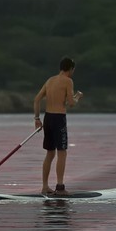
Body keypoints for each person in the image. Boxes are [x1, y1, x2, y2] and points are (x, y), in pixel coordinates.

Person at [33, 57, 84, 196]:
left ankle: (45, 187)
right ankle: (60, 187)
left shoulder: (50, 80)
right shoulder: (68, 81)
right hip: (59, 119)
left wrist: (37, 119)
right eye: (73, 69)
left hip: (47, 118)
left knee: (50, 153)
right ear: (71, 69)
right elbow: (71, 103)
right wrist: (77, 96)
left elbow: (37, 100)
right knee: (62, 152)